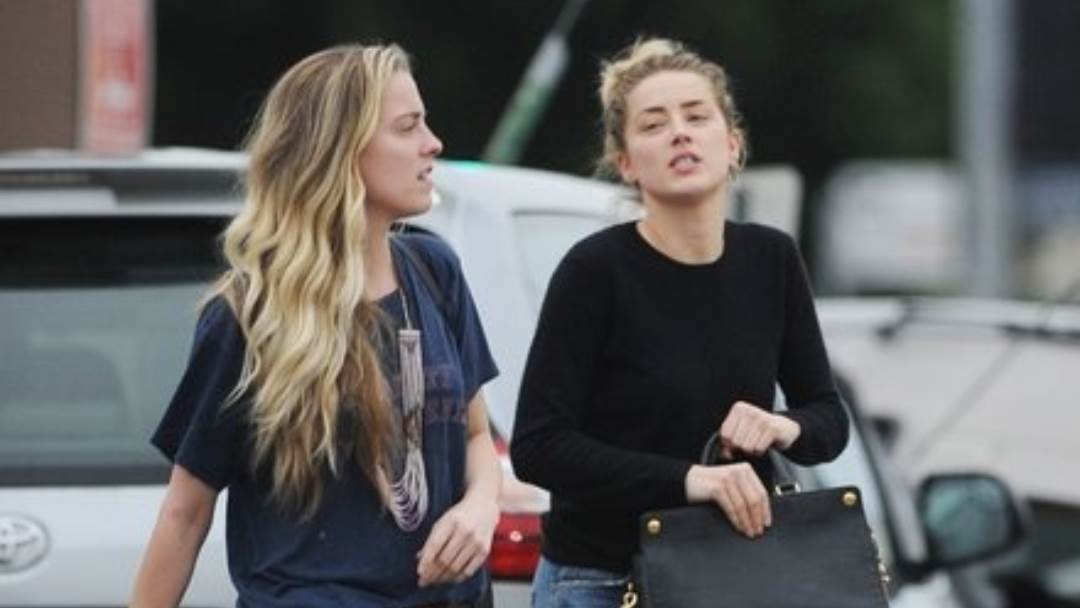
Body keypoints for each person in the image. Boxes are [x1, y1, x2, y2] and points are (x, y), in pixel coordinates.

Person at [130, 43, 501, 608]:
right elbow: (186, 511)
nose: (433, 143)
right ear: (339, 150)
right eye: (407, 127)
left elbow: (477, 436)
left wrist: (480, 507)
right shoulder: (249, 315)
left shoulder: (434, 270)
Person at [510, 37, 850, 607]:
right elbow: (540, 446)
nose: (679, 134)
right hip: (604, 581)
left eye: (696, 116)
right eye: (653, 124)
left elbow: (828, 419)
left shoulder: (772, 259)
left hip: (732, 575)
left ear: (733, 144)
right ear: (625, 163)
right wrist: (692, 480)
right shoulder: (594, 271)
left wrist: (780, 426)